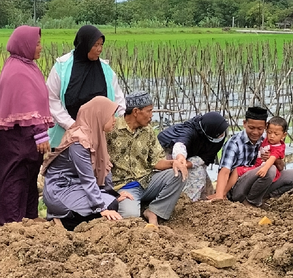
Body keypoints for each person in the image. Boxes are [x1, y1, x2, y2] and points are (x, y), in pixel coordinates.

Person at [0, 26, 54, 224]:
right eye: (37, 44)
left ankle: (29, 218)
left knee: (28, 180)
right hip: (15, 143)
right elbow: (25, 104)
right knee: (14, 181)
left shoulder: (27, 66)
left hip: (25, 143)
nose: (40, 47)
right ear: (25, 45)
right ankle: (12, 225)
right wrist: (39, 132)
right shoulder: (18, 72)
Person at [42, 97, 127, 231]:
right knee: (109, 207)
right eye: (111, 115)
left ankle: (71, 218)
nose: (115, 119)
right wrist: (101, 208)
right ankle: (62, 221)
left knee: (114, 202)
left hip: (77, 186)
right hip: (61, 189)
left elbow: (104, 168)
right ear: (99, 115)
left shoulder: (96, 135)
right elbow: (87, 178)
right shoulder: (79, 141)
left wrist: (113, 194)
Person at [106, 91, 186, 225]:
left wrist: (174, 163)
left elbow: (156, 161)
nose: (151, 115)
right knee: (131, 219)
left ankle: (154, 210)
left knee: (179, 174)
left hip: (147, 181)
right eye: (149, 111)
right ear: (136, 112)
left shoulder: (148, 131)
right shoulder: (112, 129)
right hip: (125, 187)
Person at [46, 25, 126, 148]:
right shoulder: (62, 67)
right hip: (68, 134)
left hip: (99, 135)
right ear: (84, 45)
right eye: (95, 45)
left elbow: (118, 98)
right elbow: (51, 98)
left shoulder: (106, 70)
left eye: (101, 44)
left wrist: (122, 121)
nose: (99, 49)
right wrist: (71, 125)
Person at [209, 107, 274, 206]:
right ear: (244, 124)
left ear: (265, 126)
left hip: (256, 181)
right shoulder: (234, 143)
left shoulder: (265, 140)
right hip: (236, 187)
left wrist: (272, 158)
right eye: (251, 128)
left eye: (260, 129)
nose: (255, 132)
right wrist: (219, 196)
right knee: (270, 170)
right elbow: (225, 171)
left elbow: (280, 164)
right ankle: (250, 203)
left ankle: (260, 198)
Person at [157, 112, 229, 201]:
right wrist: (180, 158)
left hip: (191, 158)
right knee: (196, 175)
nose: (222, 135)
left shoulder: (218, 137)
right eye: (220, 133)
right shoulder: (189, 130)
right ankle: (187, 202)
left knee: (206, 189)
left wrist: (187, 164)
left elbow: (206, 157)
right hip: (166, 153)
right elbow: (180, 144)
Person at [227, 116, 293, 198]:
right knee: (238, 170)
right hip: (249, 176)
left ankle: (262, 197)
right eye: (269, 132)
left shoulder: (279, 147)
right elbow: (224, 168)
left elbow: (277, 162)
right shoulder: (262, 138)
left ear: (284, 135)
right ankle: (229, 193)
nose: (272, 136)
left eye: (276, 134)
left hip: (265, 172)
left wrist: (267, 166)